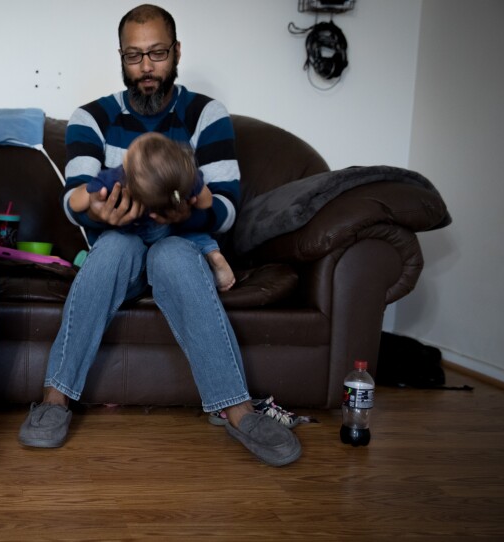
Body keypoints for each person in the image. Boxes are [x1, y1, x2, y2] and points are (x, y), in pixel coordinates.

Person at [18, 4, 301, 466]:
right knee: (112, 249)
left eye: (157, 54)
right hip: (120, 244)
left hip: (181, 245)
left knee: (171, 255)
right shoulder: (91, 118)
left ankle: (238, 410)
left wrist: (184, 209)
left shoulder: (206, 115)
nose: (147, 68)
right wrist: (100, 208)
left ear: (177, 52)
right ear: (120, 57)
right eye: (134, 56)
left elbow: (226, 209)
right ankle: (54, 400)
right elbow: (72, 201)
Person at [68, 131, 235, 291]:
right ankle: (213, 253)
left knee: (112, 239)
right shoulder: (182, 177)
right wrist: (189, 187)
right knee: (192, 234)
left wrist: (89, 193)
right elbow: (207, 202)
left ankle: (96, 262)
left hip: (133, 235)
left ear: (126, 165)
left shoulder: (116, 177)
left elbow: (75, 204)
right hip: (172, 233)